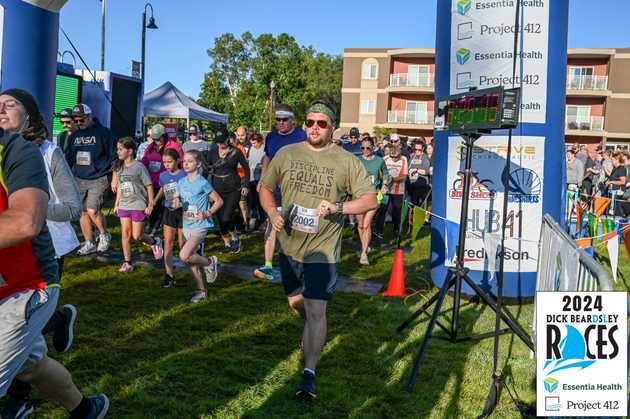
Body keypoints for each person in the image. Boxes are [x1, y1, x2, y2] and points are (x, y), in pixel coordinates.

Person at [0, 90, 109, 418]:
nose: (2, 110)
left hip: (41, 257)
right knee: (31, 364)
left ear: (30, 116)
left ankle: (18, 403)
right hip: (16, 254)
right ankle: (85, 409)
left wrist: (38, 209)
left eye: (10, 105)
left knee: (22, 334)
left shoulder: (41, 153)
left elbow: (65, 208)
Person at [259, 100, 376, 399]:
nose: (314, 128)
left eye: (321, 123)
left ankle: (308, 374)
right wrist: (272, 213)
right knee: (296, 303)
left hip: (323, 250)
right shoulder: (287, 153)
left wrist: (338, 207)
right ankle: (314, 328)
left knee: (315, 308)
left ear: (332, 127)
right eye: (310, 122)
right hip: (289, 245)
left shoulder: (346, 161)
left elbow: (369, 200)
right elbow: (265, 188)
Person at [253, 104, 307, 281]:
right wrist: (263, 179)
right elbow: (267, 157)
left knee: (295, 226)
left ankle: (297, 265)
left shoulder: (301, 135)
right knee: (272, 223)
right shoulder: (271, 137)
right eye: (278, 119)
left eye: (285, 120)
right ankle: (268, 266)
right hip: (274, 187)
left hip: (295, 187)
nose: (281, 123)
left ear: (292, 120)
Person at [65, 103, 116, 256]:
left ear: (89, 117)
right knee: (82, 212)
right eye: (76, 121)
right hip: (79, 177)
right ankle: (89, 242)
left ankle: (104, 234)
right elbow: (69, 158)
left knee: (93, 209)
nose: (78, 124)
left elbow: (114, 157)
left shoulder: (104, 133)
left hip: (99, 177)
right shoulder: (74, 136)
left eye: (81, 120)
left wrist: (114, 179)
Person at [173, 150, 222, 303]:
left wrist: (207, 213)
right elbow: (180, 202)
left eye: (190, 161)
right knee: (191, 260)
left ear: (198, 164)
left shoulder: (202, 182)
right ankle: (201, 291)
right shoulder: (181, 182)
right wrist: (177, 204)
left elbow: (219, 201)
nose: (185, 164)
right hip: (187, 223)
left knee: (184, 255)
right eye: (184, 161)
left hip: (200, 225)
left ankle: (209, 262)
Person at [113, 137, 164, 273]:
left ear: (130, 151)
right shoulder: (119, 167)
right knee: (125, 234)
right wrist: (116, 204)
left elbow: (149, 186)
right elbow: (120, 187)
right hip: (124, 204)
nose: (118, 152)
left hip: (138, 204)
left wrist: (151, 204)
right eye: (117, 149)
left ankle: (154, 242)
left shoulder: (139, 166)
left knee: (137, 236)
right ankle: (127, 262)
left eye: (120, 149)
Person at [205, 128, 250, 253]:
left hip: (233, 188)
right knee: (220, 219)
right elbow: (207, 169)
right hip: (217, 189)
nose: (219, 144)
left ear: (228, 139)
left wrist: (246, 185)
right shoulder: (213, 152)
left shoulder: (235, 152)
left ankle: (235, 237)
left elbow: (246, 168)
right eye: (217, 142)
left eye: (221, 141)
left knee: (226, 216)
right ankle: (227, 243)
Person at [141, 123, 184, 236]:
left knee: (168, 207)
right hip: (153, 182)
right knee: (153, 206)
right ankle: (153, 227)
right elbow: (144, 161)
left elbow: (182, 163)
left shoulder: (174, 147)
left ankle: (170, 231)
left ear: (164, 135)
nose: (156, 141)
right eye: (153, 138)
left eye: (158, 138)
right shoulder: (150, 147)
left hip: (171, 182)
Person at [156, 148, 187, 288]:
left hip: (183, 212)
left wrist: (181, 202)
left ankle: (198, 257)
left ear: (177, 161)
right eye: (164, 162)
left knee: (182, 246)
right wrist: (154, 201)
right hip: (169, 211)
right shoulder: (162, 176)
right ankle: (169, 275)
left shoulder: (184, 175)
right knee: (167, 243)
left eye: (169, 162)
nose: (167, 165)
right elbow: (163, 189)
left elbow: (190, 193)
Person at [357, 137, 388, 264]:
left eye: (368, 147)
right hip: (358, 196)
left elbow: (385, 173)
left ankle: (364, 253)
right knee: (360, 225)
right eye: (362, 148)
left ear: (373, 147)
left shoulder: (379, 161)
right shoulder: (357, 160)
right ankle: (365, 245)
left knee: (366, 224)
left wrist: (384, 185)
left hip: (373, 196)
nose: (365, 150)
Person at [375, 144, 408, 243]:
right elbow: (379, 173)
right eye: (391, 156)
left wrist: (393, 179)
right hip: (385, 189)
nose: (393, 158)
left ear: (400, 153)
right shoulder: (385, 158)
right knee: (382, 210)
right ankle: (378, 231)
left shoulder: (404, 159)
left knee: (397, 212)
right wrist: (384, 178)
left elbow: (404, 177)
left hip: (398, 191)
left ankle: (396, 230)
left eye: (395, 157)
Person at [247, 132, 266, 229]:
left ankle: (263, 221)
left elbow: (268, 164)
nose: (253, 145)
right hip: (251, 178)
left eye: (254, 143)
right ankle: (253, 220)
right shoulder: (251, 149)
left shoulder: (265, 150)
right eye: (251, 143)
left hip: (261, 179)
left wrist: (260, 166)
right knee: (252, 201)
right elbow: (250, 161)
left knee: (261, 201)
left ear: (259, 142)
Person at [605, 151, 630, 216]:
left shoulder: (622, 168)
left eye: (612, 160)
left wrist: (611, 182)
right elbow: (612, 177)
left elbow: (623, 182)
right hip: (612, 191)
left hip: (618, 192)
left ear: (617, 160)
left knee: (616, 209)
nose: (611, 161)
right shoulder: (614, 168)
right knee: (613, 209)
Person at [408, 140, 431, 206]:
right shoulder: (412, 157)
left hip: (420, 186)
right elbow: (408, 168)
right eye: (415, 149)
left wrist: (416, 170)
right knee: (410, 205)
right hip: (411, 184)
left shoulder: (425, 158)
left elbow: (426, 171)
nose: (417, 151)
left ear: (423, 149)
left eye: (419, 149)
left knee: (417, 205)